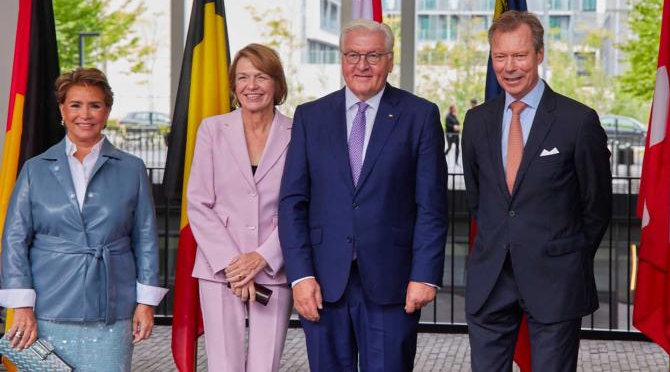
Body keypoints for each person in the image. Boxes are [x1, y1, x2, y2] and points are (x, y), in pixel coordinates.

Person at [279, 19, 448, 371]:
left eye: (373, 55)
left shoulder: (420, 115)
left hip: (394, 284)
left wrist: (425, 274)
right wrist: (300, 276)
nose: (362, 65)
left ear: (390, 60)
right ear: (341, 59)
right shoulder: (310, 116)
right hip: (322, 284)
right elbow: (293, 203)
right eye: (353, 55)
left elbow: (431, 206)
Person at [461, 10, 612, 372]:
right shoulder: (476, 121)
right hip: (491, 279)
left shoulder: (578, 121)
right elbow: (478, 198)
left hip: (555, 280)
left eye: (519, 55)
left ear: (539, 55)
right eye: (500, 56)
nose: (509, 67)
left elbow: (596, 208)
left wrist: (563, 255)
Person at [0, 67, 167, 371]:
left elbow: (145, 239)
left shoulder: (132, 169)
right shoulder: (34, 170)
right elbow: (14, 240)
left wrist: (146, 303)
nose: (85, 114)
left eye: (95, 105)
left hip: (113, 308)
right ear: (62, 109)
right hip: (47, 307)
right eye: (76, 104)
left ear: (107, 111)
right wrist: (22, 306)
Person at [187, 44, 293, 372]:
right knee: (223, 365)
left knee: (265, 366)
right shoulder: (212, 129)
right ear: (234, 86)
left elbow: (302, 204)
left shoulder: (299, 131)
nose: (252, 85)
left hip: (274, 268)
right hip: (220, 270)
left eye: (261, 76)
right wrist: (234, 265)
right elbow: (198, 201)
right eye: (243, 77)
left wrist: (262, 257)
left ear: (277, 84)